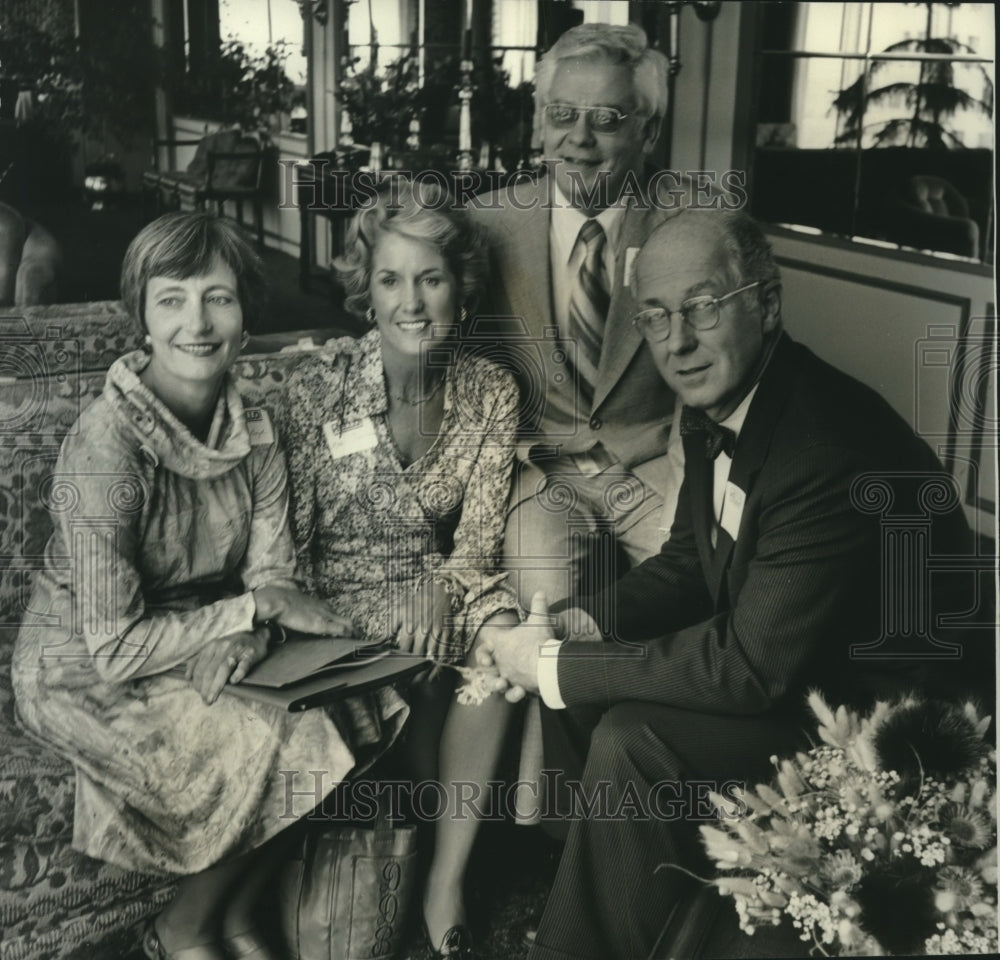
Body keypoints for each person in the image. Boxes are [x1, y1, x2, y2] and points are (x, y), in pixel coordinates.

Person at [480, 209, 992, 960]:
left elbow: (749, 668)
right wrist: (577, 627)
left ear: (767, 303)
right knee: (589, 676)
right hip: (805, 666)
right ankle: (620, 892)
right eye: (655, 317)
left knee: (633, 736)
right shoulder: (716, 400)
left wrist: (555, 667)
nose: (677, 341)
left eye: (703, 307)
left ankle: (583, 937)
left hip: (890, 718)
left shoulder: (825, 442)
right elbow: (691, 561)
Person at [11, 212, 406, 960]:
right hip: (83, 665)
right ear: (142, 318)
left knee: (346, 699)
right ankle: (181, 929)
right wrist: (247, 612)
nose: (198, 322)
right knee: (281, 732)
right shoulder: (107, 446)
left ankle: (227, 917)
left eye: (218, 298)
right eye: (172, 299)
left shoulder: (252, 428)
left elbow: (273, 574)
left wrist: (249, 634)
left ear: (246, 313)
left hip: (204, 633)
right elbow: (117, 645)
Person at [279, 180, 521, 959]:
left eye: (431, 278)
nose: (411, 303)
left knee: (504, 638)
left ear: (461, 287)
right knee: (422, 664)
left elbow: (478, 545)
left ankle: (444, 878)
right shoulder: (316, 385)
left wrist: (439, 587)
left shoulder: (491, 393)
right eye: (390, 280)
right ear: (366, 289)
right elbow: (286, 546)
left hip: (434, 587)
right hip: (332, 597)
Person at [467, 22, 696, 611]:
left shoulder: (690, 230)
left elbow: (717, 384)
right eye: (562, 114)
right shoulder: (483, 227)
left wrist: (690, 482)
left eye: (608, 119)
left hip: (651, 465)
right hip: (539, 464)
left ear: (650, 131)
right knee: (540, 598)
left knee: (698, 588)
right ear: (541, 121)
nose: (579, 139)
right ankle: (568, 703)